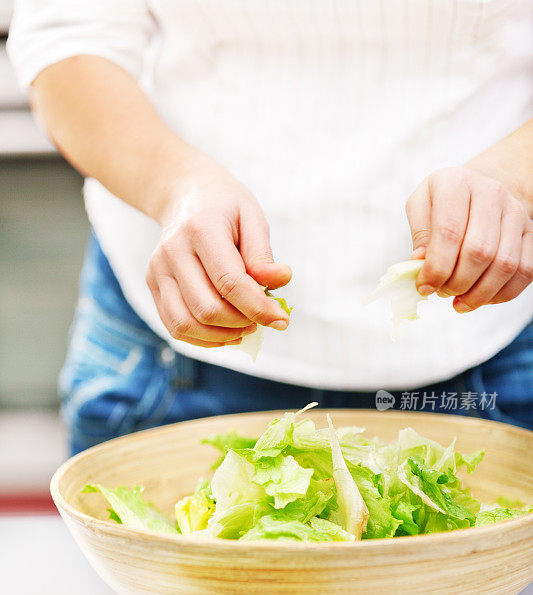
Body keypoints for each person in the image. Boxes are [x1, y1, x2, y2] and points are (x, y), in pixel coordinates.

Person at [8, 1, 533, 455]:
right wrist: (175, 185)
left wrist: (516, 175)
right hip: (171, 356)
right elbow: (68, 36)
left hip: (489, 351)